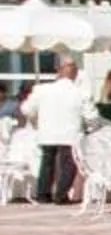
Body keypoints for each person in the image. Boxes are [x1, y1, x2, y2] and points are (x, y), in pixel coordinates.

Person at [22, 59, 89, 205]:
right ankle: (61, 195)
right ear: (75, 74)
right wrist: (90, 126)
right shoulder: (80, 92)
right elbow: (90, 115)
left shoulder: (42, 89)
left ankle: (43, 194)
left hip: (47, 132)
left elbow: (26, 109)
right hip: (69, 134)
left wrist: (35, 121)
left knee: (47, 163)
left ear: (59, 72)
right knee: (69, 164)